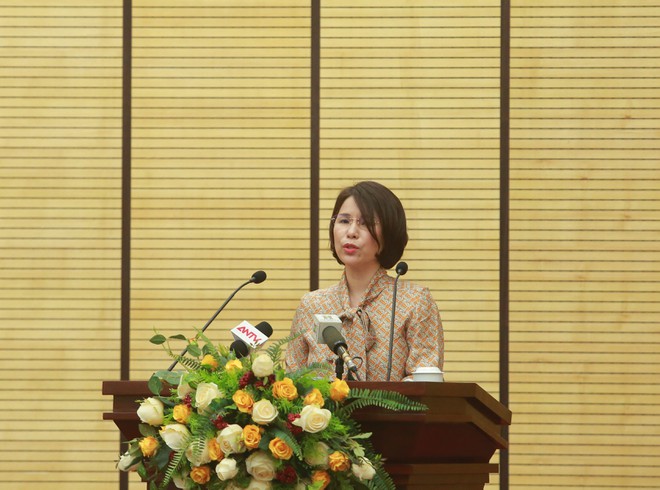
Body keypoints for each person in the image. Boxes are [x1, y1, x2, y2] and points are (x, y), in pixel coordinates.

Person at [285, 181, 443, 381]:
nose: (351, 232)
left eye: (365, 223)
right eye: (344, 221)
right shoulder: (312, 305)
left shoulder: (414, 301)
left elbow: (426, 383)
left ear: (389, 232)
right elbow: (291, 384)